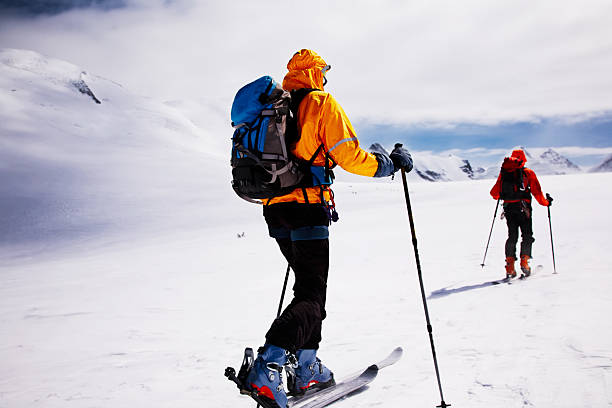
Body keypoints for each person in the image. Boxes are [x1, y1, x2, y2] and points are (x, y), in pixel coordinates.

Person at [243, 49, 413, 408]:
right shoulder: (320, 103)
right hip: (307, 209)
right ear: (316, 72)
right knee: (311, 295)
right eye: (324, 71)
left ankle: (306, 369)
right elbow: (349, 155)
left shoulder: (275, 107)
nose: (326, 78)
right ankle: (269, 364)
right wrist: (390, 165)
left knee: (309, 288)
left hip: (275, 210)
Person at [490, 148, 553, 279]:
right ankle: (524, 262)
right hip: (524, 210)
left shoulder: (504, 173)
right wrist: (546, 203)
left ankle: (510, 267)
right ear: (523, 160)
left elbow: (494, 193)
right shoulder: (528, 173)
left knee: (512, 236)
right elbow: (537, 192)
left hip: (509, 209)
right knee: (527, 235)